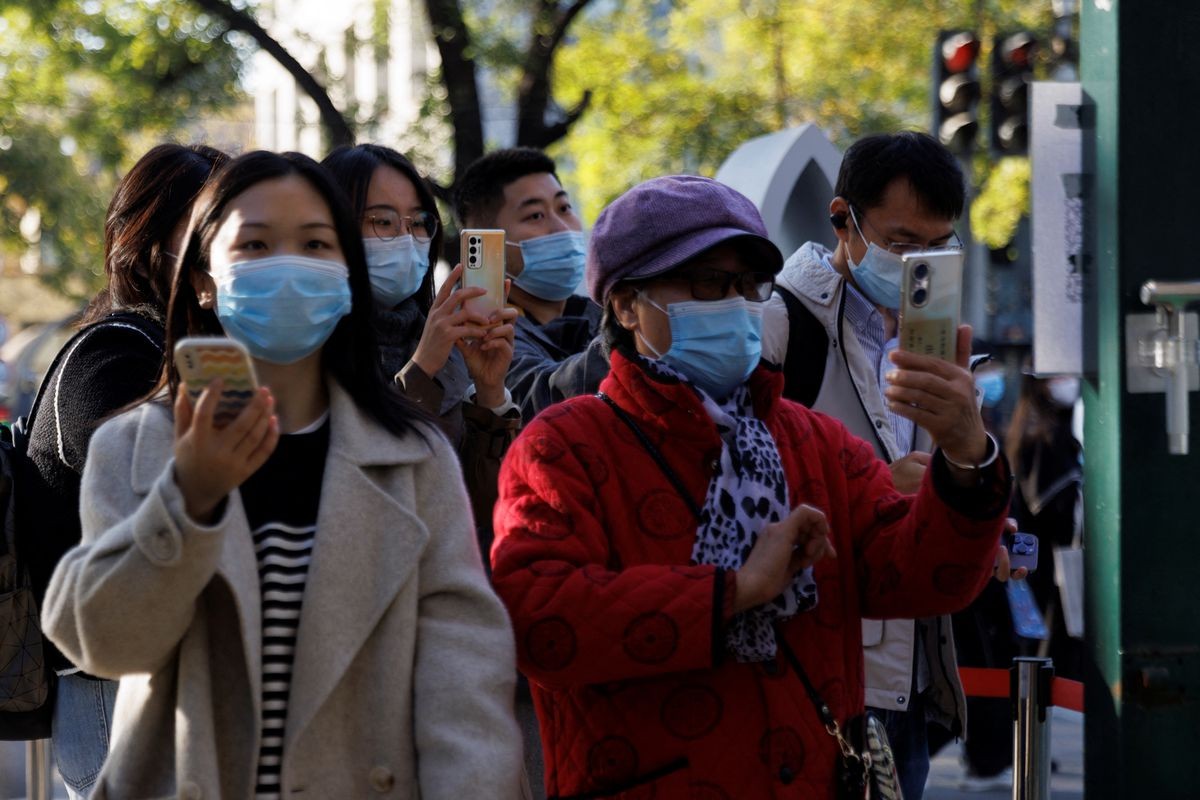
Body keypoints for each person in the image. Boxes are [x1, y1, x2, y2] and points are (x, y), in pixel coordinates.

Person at [491, 175, 1011, 799]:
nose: (737, 303)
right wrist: (734, 590)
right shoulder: (564, 445)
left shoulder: (813, 440)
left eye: (749, 286)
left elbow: (922, 577)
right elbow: (541, 621)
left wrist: (966, 460)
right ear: (627, 306)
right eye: (710, 284)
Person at [42, 151, 525, 799]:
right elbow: (105, 642)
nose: (289, 264)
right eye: (255, 243)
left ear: (346, 273)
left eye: (316, 243)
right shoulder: (139, 443)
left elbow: (462, 681)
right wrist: (189, 500)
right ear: (204, 279)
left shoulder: (412, 457)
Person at [761, 131, 989, 799]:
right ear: (842, 220)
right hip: (819, 661)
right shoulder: (780, 325)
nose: (920, 263)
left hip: (911, 665)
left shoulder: (935, 328)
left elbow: (939, 470)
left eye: (938, 245)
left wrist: (966, 493)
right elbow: (742, 483)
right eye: (900, 243)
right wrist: (875, 490)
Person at [17, 143, 227, 799]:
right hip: (115, 693)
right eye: (207, 232)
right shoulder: (116, 356)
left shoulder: (184, 351)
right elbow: (151, 521)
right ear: (148, 242)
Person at [322, 143, 520, 547]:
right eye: (382, 221)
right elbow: (355, 483)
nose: (406, 238)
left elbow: (485, 510)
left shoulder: (450, 341)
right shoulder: (306, 345)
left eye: (418, 223)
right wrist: (421, 370)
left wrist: (490, 393)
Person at [453, 147, 608, 420]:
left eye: (564, 208)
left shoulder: (599, 314)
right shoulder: (476, 331)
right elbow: (537, 399)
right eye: (535, 215)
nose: (562, 227)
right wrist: (640, 338)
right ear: (490, 241)